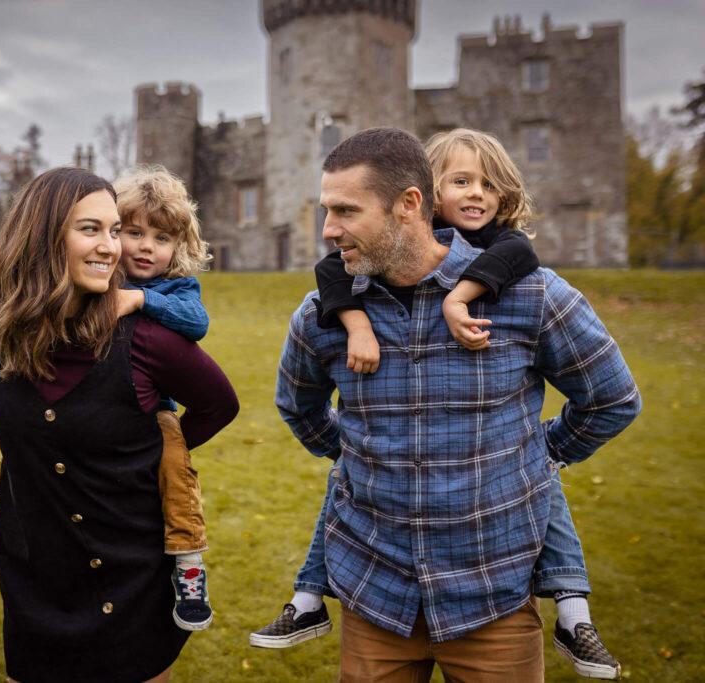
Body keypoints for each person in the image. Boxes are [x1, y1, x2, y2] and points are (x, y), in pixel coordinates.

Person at [252, 129, 624, 678]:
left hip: (493, 600)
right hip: (374, 595)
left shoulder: (533, 294)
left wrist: (534, 455)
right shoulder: (321, 315)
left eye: (346, 211)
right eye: (327, 209)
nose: (328, 228)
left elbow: (612, 399)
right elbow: (298, 407)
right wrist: (357, 456)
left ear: (409, 204)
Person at [0, 167, 238, 682]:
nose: (113, 247)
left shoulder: (147, 337)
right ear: (43, 235)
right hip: (34, 578)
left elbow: (218, 405)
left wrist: (151, 452)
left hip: (128, 579)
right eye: (92, 229)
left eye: (115, 230)